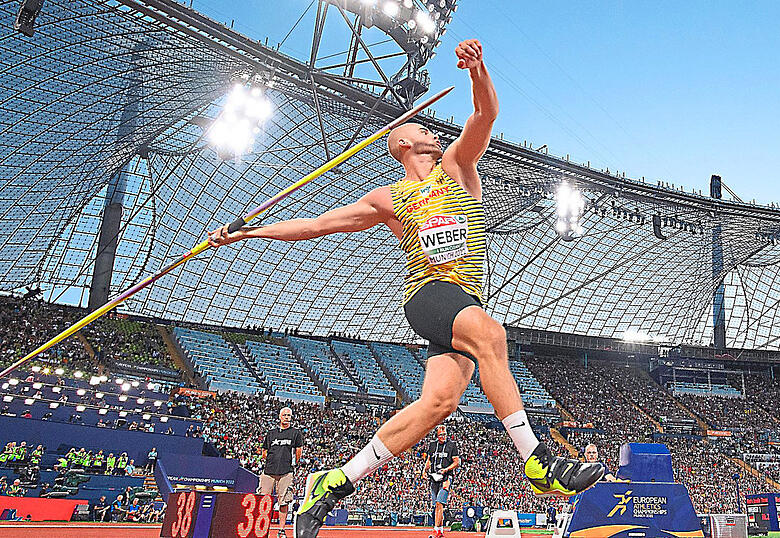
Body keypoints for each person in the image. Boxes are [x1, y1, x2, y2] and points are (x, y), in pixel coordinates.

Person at [208, 38, 603, 538]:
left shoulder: (456, 168)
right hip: (429, 294)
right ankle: (538, 460)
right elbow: (316, 226)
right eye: (423, 129)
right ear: (401, 144)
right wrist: (248, 232)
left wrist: (478, 71)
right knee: (493, 336)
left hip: (464, 299)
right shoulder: (389, 198)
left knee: (438, 404)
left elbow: (485, 114)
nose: (433, 133)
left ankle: (332, 483)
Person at [258, 407, 303, 538]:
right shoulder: (271, 433)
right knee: (264, 501)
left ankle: (281, 530)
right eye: (284, 415)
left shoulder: (295, 433)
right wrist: (270, 460)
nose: (287, 417)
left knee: (284, 502)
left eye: (289, 415)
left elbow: (298, 450)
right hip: (268, 471)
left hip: (286, 471)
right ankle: (262, 529)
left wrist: (293, 463)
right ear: (279, 416)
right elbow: (264, 450)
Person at [421, 424, 459, 538]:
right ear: (437, 436)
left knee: (439, 503)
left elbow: (456, 462)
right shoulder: (433, 445)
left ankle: (436, 530)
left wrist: (446, 469)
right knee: (436, 506)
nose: (443, 437)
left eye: (445, 434)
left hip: (446, 477)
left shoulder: (452, 445)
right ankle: (440, 530)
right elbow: (429, 460)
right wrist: (424, 471)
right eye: (441, 435)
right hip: (434, 477)